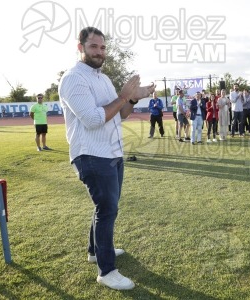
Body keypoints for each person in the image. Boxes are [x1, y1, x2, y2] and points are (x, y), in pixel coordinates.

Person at [58, 26, 155, 290]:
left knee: (105, 207)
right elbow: (92, 119)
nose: (99, 52)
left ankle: (94, 250)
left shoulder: (103, 78)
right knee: (107, 209)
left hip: (111, 153)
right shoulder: (73, 78)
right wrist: (124, 95)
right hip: (91, 155)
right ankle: (106, 270)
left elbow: (120, 113)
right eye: (93, 47)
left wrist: (133, 99)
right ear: (80, 48)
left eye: (102, 47)